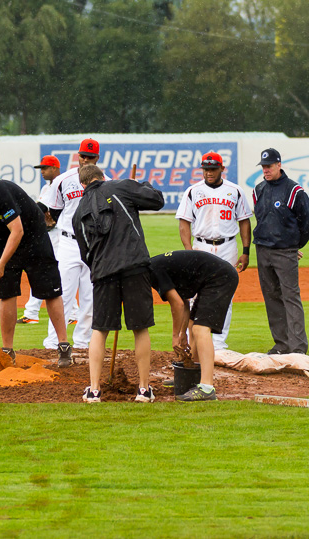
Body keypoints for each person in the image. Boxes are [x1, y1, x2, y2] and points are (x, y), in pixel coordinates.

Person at [0, 171, 73, 366]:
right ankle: (8, 350)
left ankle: (63, 345)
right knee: (6, 294)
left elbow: (18, 230)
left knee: (50, 292)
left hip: (34, 236)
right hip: (3, 240)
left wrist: (1, 264)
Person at [73, 164, 165, 403]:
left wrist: (102, 266)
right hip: (135, 267)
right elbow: (157, 200)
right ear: (102, 177)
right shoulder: (121, 186)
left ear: (82, 184)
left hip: (103, 273)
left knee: (99, 329)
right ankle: (144, 390)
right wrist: (140, 185)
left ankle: (94, 390)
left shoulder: (78, 211)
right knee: (140, 327)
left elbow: (85, 253)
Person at [175, 150, 252, 350]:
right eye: (206, 169)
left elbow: (244, 221)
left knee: (225, 295)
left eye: (213, 169)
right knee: (196, 295)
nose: (209, 172)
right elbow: (184, 223)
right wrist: (189, 251)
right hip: (201, 246)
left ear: (222, 169)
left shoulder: (235, 190)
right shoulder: (193, 191)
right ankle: (194, 342)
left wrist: (246, 251)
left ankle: (218, 343)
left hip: (227, 247)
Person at [42, 139, 111, 354]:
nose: (86, 160)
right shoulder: (63, 180)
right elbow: (52, 212)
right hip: (69, 243)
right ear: (78, 156)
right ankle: (54, 342)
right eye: (83, 156)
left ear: (97, 158)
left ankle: (82, 342)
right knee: (62, 293)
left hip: (94, 244)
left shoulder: (107, 182)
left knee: (91, 296)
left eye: (90, 157)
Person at [149, 250, 239, 402]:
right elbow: (183, 302)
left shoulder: (152, 271)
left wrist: (175, 336)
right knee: (192, 325)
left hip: (220, 277)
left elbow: (176, 305)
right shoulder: (154, 266)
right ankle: (191, 376)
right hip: (211, 278)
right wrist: (182, 333)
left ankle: (207, 388)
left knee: (200, 328)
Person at [252, 148, 309, 354]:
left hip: (284, 252)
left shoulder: (293, 190)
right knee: (271, 298)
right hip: (262, 250)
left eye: (269, 166)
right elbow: (261, 219)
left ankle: (298, 348)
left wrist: (295, 245)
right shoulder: (258, 190)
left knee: (290, 297)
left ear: (279, 165)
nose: (266, 170)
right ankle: (282, 344)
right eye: (263, 166)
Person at [18, 155, 78, 325]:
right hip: (50, 234)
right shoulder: (47, 188)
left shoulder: (62, 183)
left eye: (45, 168)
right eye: (41, 169)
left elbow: (39, 209)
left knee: (47, 270)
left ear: (55, 168)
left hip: (60, 235)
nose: (42, 172)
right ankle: (73, 313)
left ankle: (32, 313)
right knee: (56, 272)